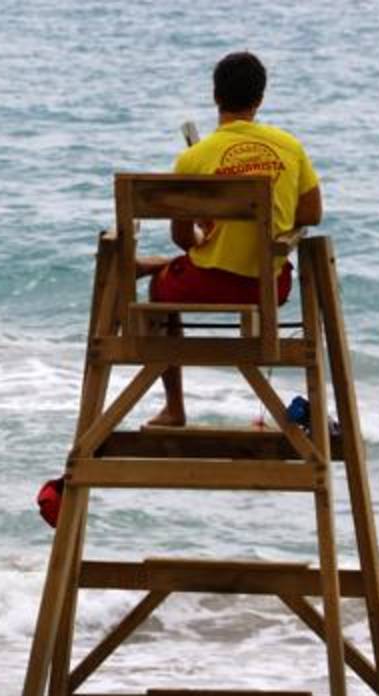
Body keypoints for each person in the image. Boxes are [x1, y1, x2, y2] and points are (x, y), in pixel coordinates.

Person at [144, 51, 323, 427]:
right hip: (268, 287)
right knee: (194, 265)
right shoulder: (290, 147)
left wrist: (207, 231)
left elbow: (182, 239)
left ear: (215, 96)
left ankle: (174, 408)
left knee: (160, 290)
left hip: (205, 284)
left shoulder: (194, 158)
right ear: (260, 99)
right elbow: (311, 215)